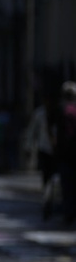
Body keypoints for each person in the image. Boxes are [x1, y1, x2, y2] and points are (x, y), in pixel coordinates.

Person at [57, 81, 76, 224]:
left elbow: (57, 134)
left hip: (65, 154)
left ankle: (68, 214)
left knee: (67, 186)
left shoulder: (62, 111)